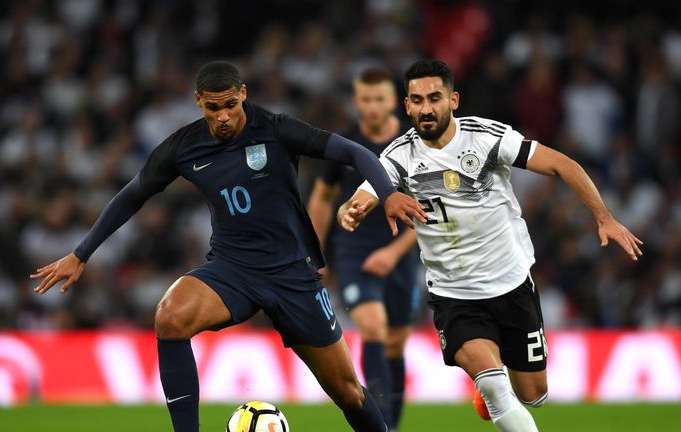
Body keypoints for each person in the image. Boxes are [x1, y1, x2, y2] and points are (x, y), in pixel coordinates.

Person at [30, 61, 426, 432]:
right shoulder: (182, 147)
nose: (223, 116)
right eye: (213, 107)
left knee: (347, 391)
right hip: (232, 268)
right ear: (198, 101)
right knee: (169, 317)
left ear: (243, 94)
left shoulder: (276, 128)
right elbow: (133, 194)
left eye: (231, 105)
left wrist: (387, 193)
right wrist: (81, 253)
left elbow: (354, 152)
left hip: (292, 274)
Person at [337, 59, 643, 432]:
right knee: (498, 390)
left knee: (533, 394)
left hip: (511, 284)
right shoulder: (399, 156)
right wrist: (350, 212)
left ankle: (490, 387)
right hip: (455, 296)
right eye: (417, 100)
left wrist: (604, 217)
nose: (426, 108)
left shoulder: (487, 138)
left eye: (435, 97)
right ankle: (489, 384)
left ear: (454, 100)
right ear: (406, 106)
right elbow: (363, 195)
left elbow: (563, 164)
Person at [308, 67, 419, 431]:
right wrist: (311, 255)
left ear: (394, 102)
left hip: (400, 252)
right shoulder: (345, 146)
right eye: (366, 99)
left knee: (395, 344)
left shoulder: (412, 146)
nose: (373, 106)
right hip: (353, 250)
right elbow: (323, 199)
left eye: (380, 99)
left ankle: (394, 425)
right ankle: (381, 425)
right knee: (373, 327)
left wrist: (393, 253)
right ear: (357, 102)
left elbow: (430, 208)